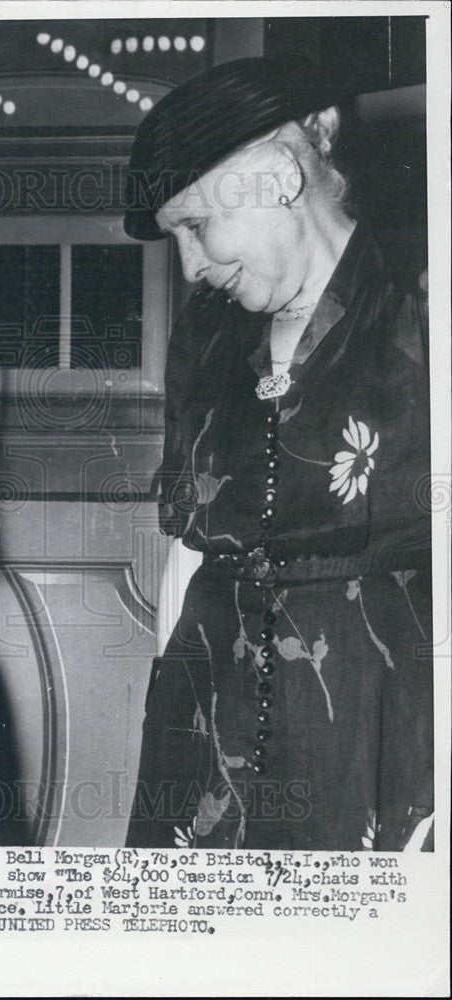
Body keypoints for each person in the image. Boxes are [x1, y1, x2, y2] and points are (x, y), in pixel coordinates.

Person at [123, 57, 432, 851]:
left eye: (195, 225)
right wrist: (169, 692)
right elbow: (185, 550)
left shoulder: (422, 302)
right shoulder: (204, 329)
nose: (190, 265)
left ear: (282, 173)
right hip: (206, 702)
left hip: (382, 712)